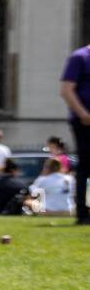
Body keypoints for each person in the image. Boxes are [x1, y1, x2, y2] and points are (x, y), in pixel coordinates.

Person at [60, 42, 90, 224]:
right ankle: (83, 212)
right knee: (86, 166)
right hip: (84, 122)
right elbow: (66, 90)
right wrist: (84, 115)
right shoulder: (80, 57)